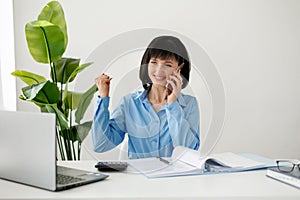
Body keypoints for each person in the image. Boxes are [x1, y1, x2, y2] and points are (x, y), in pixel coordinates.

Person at [92, 35, 200, 159]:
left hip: (176, 177)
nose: (159, 71)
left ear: (179, 68)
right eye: (154, 62)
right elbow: (101, 145)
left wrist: (172, 105)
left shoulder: (190, 104)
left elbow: (188, 151)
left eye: (167, 65)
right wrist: (103, 98)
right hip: (139, 177)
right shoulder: (129, 103)